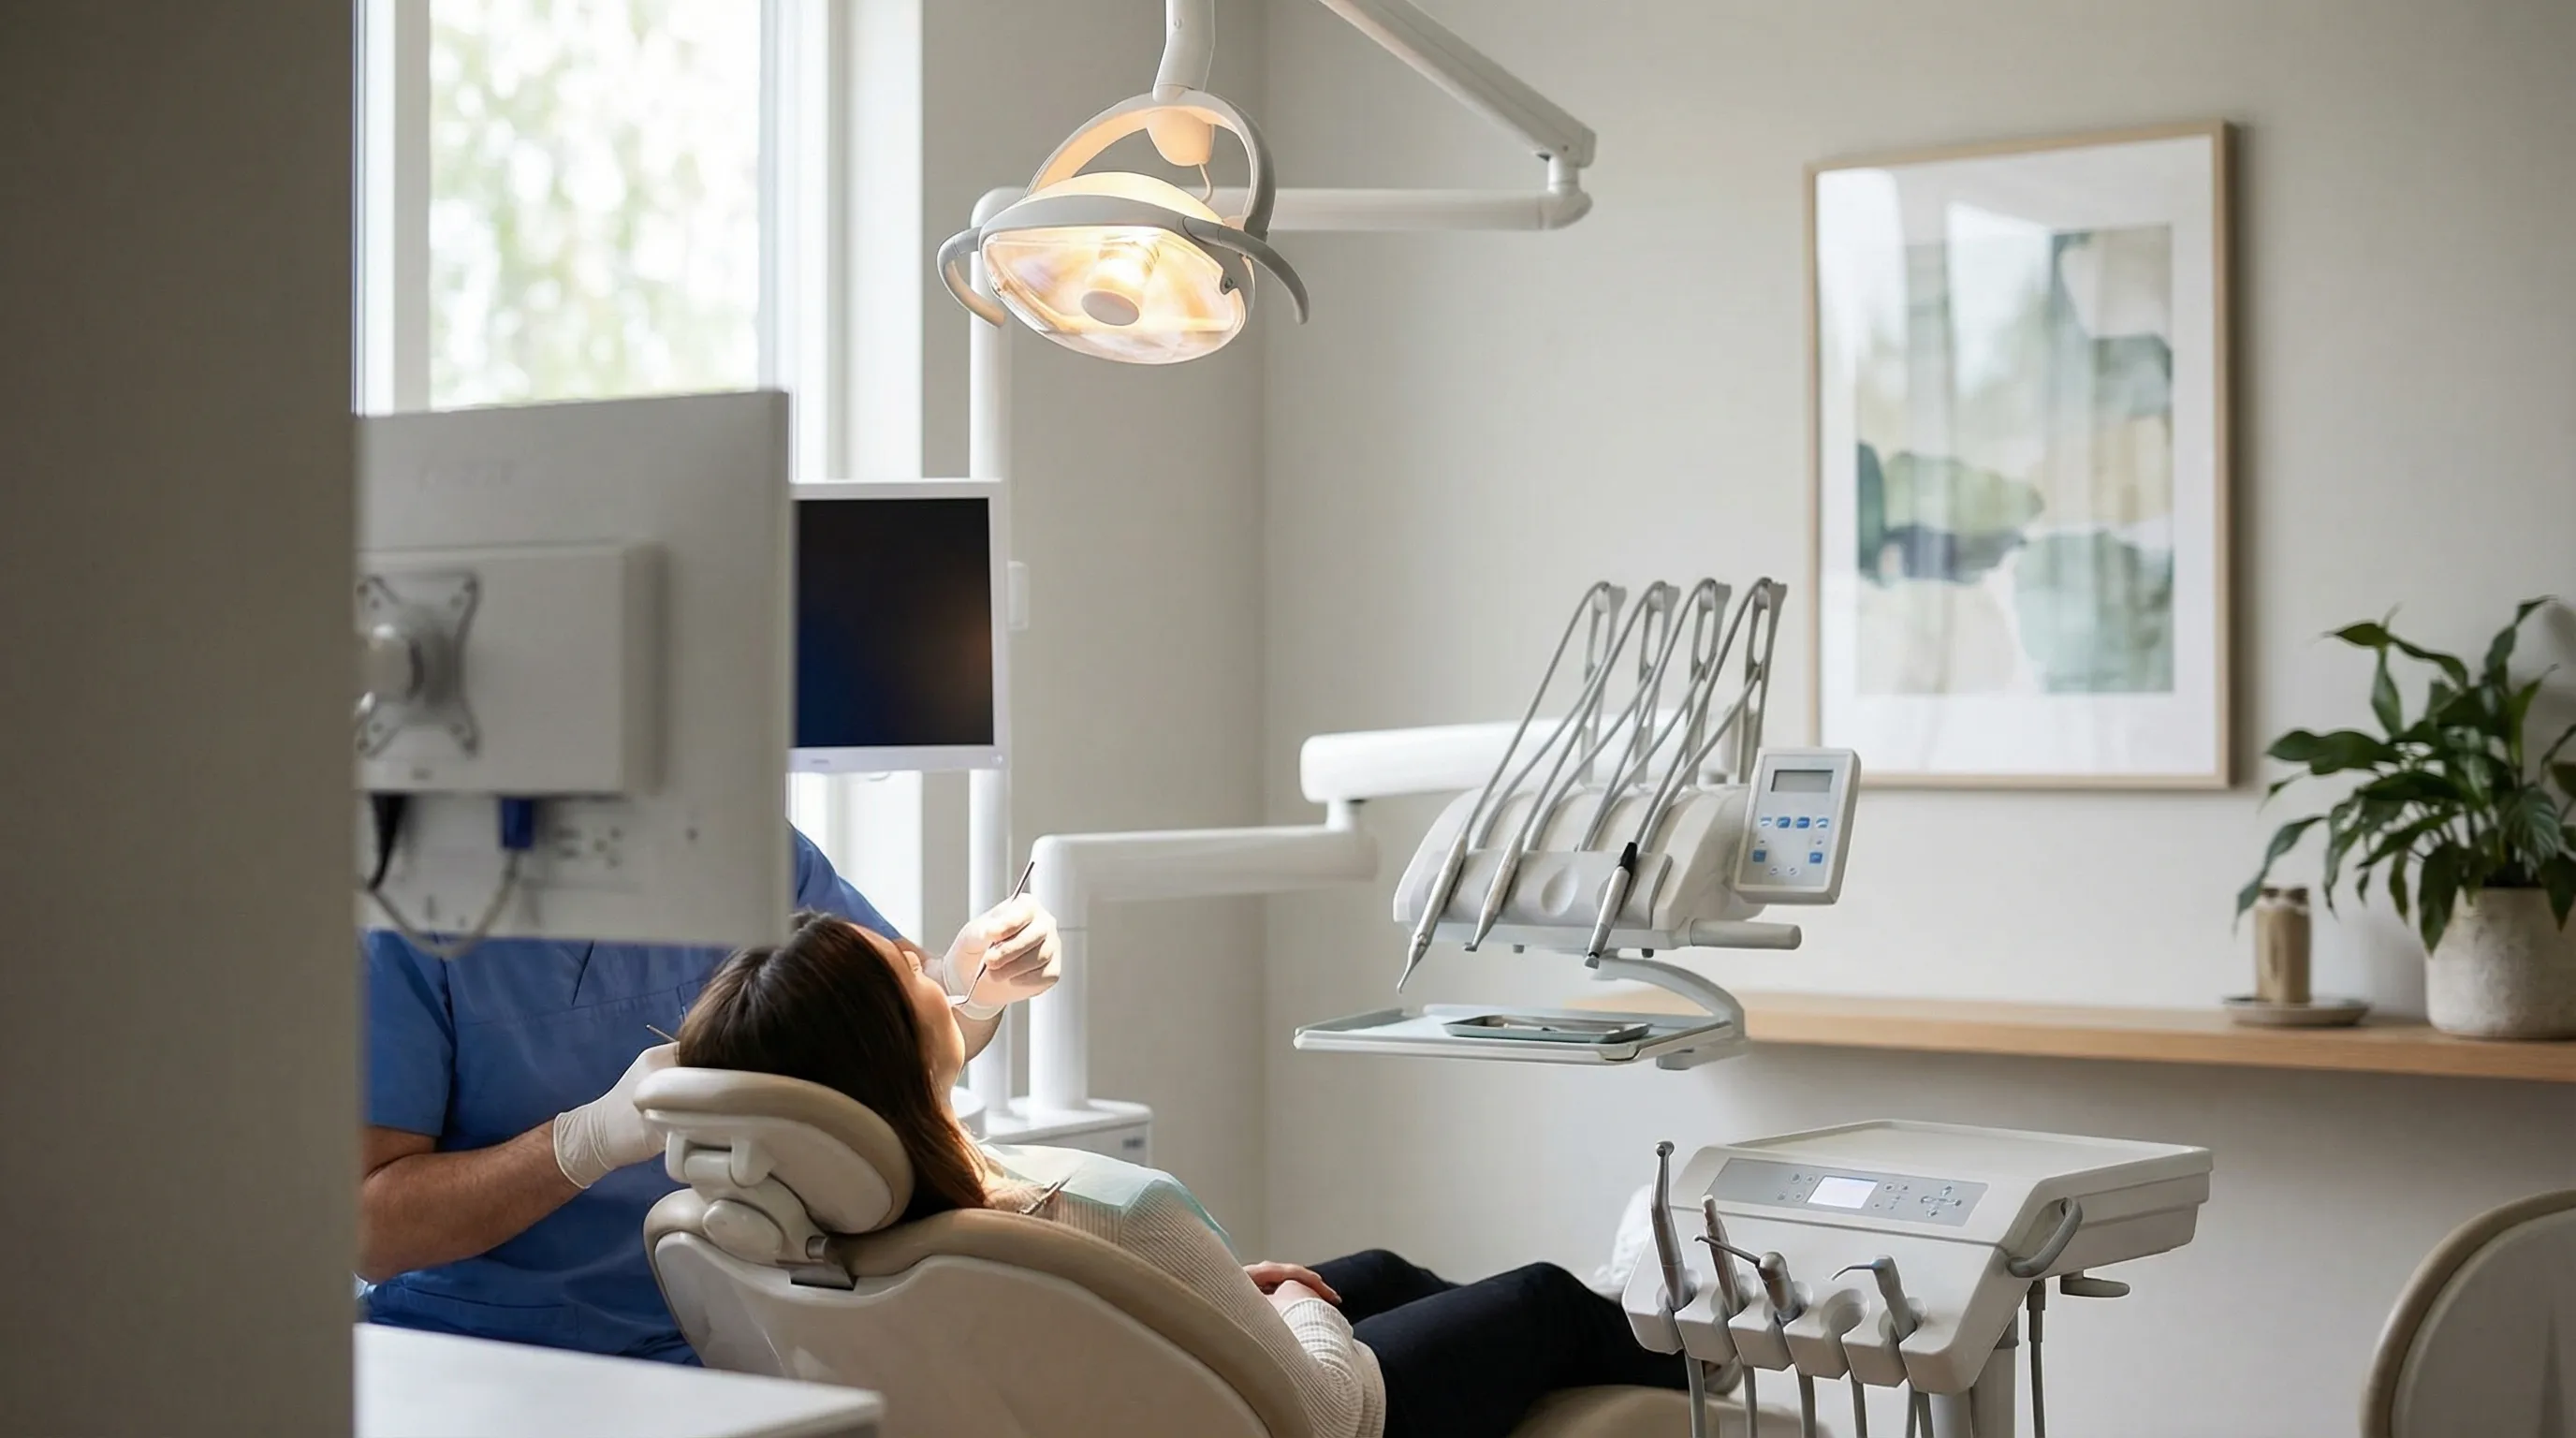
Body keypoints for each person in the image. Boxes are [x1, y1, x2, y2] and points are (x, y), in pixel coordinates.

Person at [674, 908, 1688, 1438]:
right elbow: (1329, 1417)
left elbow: (1085, 1335)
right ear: (887, 1054)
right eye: (904, 965)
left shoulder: (829, 1236)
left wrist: (1235, 1310)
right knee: (1544, 1300)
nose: (923, 954)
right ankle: (1696, 1358)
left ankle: (1630, 1327)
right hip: (1337, 1428)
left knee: (1371, 1266)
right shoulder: (1107, 1211)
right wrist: (1297, 1311)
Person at [359, 828, 1059, 1363]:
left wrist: (972, 985)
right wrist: (578, 1146)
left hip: (733, 1332)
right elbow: (368, 1229)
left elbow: (880, 1022)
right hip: (485, 1351)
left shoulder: (738, 838)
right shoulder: (407, 909)